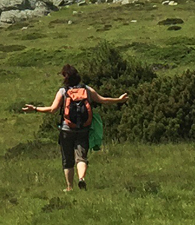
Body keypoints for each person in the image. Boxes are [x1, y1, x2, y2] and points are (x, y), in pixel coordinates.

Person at [20, 64, 127, 192]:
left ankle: (69, 187)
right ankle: (81, 178)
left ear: (66, 78)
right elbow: (103, 100)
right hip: (83, 129)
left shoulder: (63, 92)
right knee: (81, 157)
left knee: (68, 159)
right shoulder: (87, 90)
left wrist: (35, 109)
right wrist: (119, 100)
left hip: (66, 129)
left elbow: (52, 109)